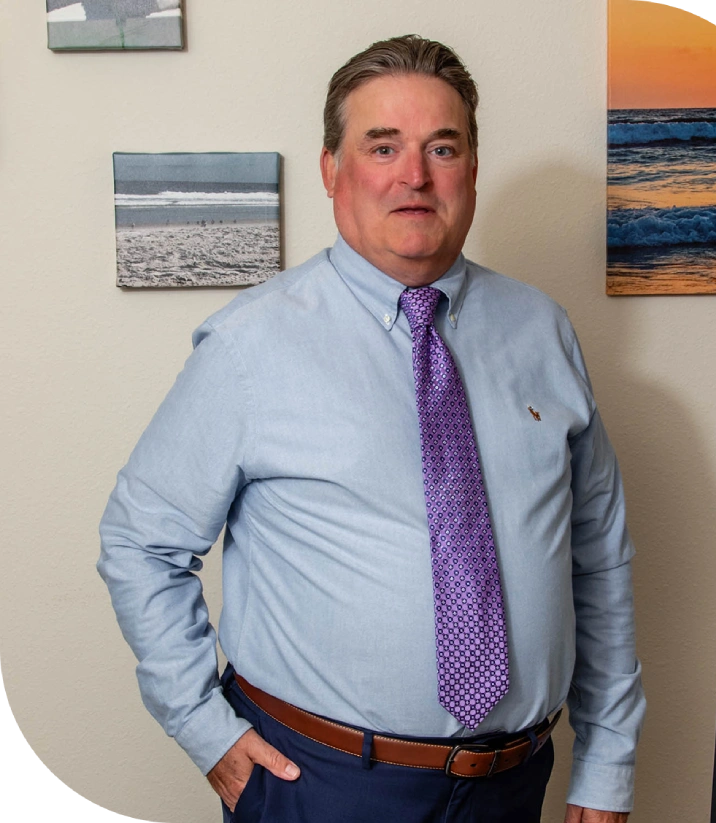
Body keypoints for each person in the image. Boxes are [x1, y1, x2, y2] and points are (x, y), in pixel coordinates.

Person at [98, 34, 645, 823]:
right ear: (331, 169)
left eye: (442, 148)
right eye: (382, 146)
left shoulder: (543, 330)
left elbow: (599, 555)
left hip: (514, 784)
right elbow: (140, 542)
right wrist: (205, 729)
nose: (414, 175)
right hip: (319, 784)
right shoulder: (252, 344)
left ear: (473, 169)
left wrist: (608, 761)